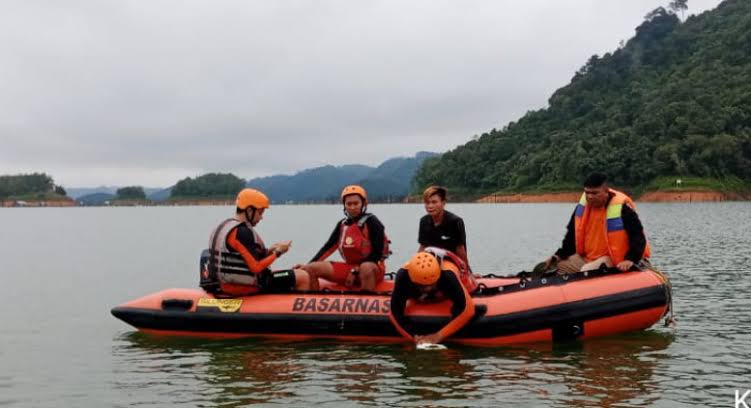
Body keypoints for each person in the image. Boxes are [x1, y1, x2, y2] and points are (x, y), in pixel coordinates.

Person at [200, 188, 311, 295]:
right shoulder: (242, 232)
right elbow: (256, 267)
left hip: (223, 284)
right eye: (260, 213)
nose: (261, 217)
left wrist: (269, 251)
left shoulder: (224, 226)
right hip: (242, 287)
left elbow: (245, 257)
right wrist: (278, 253)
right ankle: (296, 310)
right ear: (249, 210)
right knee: (303, 276)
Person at [542, 173, 651, 274]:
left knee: (586, 271)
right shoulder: (581, 209)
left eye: (594, 193)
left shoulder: (623, 209)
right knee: (559, 266)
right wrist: (557, 256)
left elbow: (637, 236)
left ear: (606, 191)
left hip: (612, 259)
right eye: (587, 192)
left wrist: (630, 259)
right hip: (586, 258)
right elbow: (571, 238)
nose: (590, 196)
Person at [297, 185, 389, 292]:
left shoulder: (373, 222)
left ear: (363, 204)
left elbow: (377, 254)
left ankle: (366, 300)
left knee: (366, 267)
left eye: (356, 203)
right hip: (350, 267)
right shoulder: (342, 225)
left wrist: (356, 270)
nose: (352, 207)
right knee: (311, 269)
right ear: (344, 206)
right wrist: (307, 265)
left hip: (373, 268)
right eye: (349, 204)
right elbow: (327, 248)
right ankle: (313, 302)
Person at [389, 250, 476, 345]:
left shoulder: (447, 275)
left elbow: (468, 309)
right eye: (423, 286)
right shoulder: (403, 276)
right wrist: (414, 337)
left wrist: (438, 336)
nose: (428, 289)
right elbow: (394, 312)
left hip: (458, 273)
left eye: (431, 284)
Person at [418, 186, 472, 271]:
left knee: (447, 275)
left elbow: (460, 249)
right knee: (402, 273)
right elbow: (423, 246)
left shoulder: (455, 222)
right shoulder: (424, 221)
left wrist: (468, 271)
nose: (430, 206)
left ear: (443, 202)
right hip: (430, 261)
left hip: (451, 262)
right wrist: (415, 263)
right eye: (427, 203)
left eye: (434, 202)